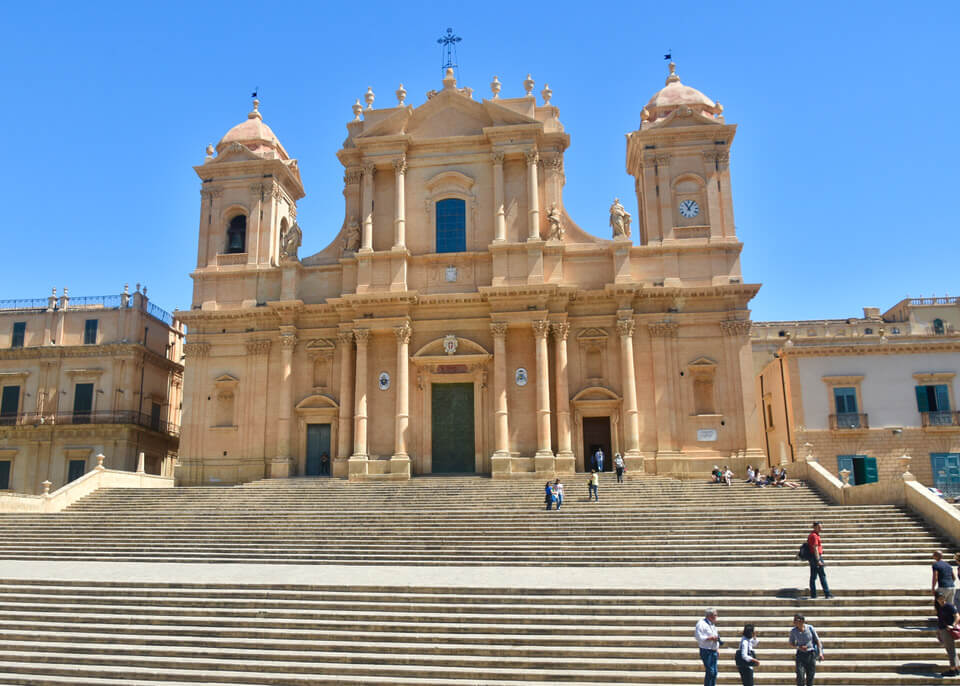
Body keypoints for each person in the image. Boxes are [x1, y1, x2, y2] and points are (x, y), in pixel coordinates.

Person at [789, 614, 823, 685]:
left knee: (810, 676)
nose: (794, 622)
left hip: (811, 654)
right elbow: (791, 643)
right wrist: (799, 647)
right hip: (800, 655)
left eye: (796, 620)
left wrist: (820, 653)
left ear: (802, 621)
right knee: (800, 676)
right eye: (794, 620)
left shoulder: (810, 628)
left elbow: (817, 641)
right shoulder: (793, 631)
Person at [694, 608, 721, 686]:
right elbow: (698, 637)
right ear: (710, 616)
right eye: (715, 615)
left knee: (714, 672)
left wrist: (717, 648)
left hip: (713, 650)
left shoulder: (712, 624)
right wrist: (710, 638)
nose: (716, 617)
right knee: (710, 671)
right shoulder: (701, 624)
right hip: (706, 651)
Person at [807, 522, 833, 599]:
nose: (821, 528)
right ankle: (827, 593)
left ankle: (813, 594)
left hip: (812, 558)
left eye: (821, 527)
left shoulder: (812, 535)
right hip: (816, 557)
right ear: (814, 527)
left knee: (813, 577)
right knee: (822, 576)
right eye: (819, 527)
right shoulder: (814, 536)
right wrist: (818, 560)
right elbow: (815, 548)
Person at [936, 592, 960, 676]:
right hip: (942, 630)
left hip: (948, 631)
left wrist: (953, 625)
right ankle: (956, 668)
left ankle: (953, 669)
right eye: (939, 599)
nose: (941, 600)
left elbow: (957, 616)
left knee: (950, 650)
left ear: (944, 598)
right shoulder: (940, 607)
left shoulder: (949, 606)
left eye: (942, 598)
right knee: (950, 649)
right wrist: (938, 631)